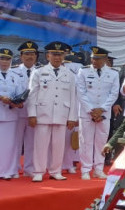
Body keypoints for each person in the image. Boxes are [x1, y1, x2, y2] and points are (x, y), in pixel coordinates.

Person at [26, 41, 78, 182]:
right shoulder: (39, 73)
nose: (57, 57)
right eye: (54, 54)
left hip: (62, 114)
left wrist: (72, 117)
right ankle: (38, 171)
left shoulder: (70, 75)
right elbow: (32, 96)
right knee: (40, 145)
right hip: (42, 113)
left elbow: (74, 97)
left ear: (64, 56)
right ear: (47, 56)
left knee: (59, 145)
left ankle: (56, 170)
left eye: (60, 55)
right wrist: (32, 114)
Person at [75, 46, 120, 180]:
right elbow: (81, 92)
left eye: (98, 59)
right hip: (87, 112)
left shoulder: (113, 73)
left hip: (104, 113)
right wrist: (91, 110)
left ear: (105, 59)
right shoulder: (83, 72)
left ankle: (99, 169)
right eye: (93, 58)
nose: (95, 61)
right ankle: (86, 169)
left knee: (101, 141)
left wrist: (102, 109)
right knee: (85, 141)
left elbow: (113, 94)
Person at [11, 40, 40, 177]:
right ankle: (14, 168)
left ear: (36, 56)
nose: (30, 57)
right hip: (16, 112)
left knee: (31, 143)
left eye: (32, 54)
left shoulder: (41, 71)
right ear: (21, 56)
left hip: (34, 112)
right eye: (26, 54)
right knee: (15, 142)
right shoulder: (13, 71)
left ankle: (29, 168)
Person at [0, 48, 23, 179]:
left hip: (10, 114)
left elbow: (19, 94)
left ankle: (8, 171)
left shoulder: (15, 76)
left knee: (9, 146)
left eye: (7, 59)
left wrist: (19, 102)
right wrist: (1, 97)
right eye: (2, 58)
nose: (4, 61)